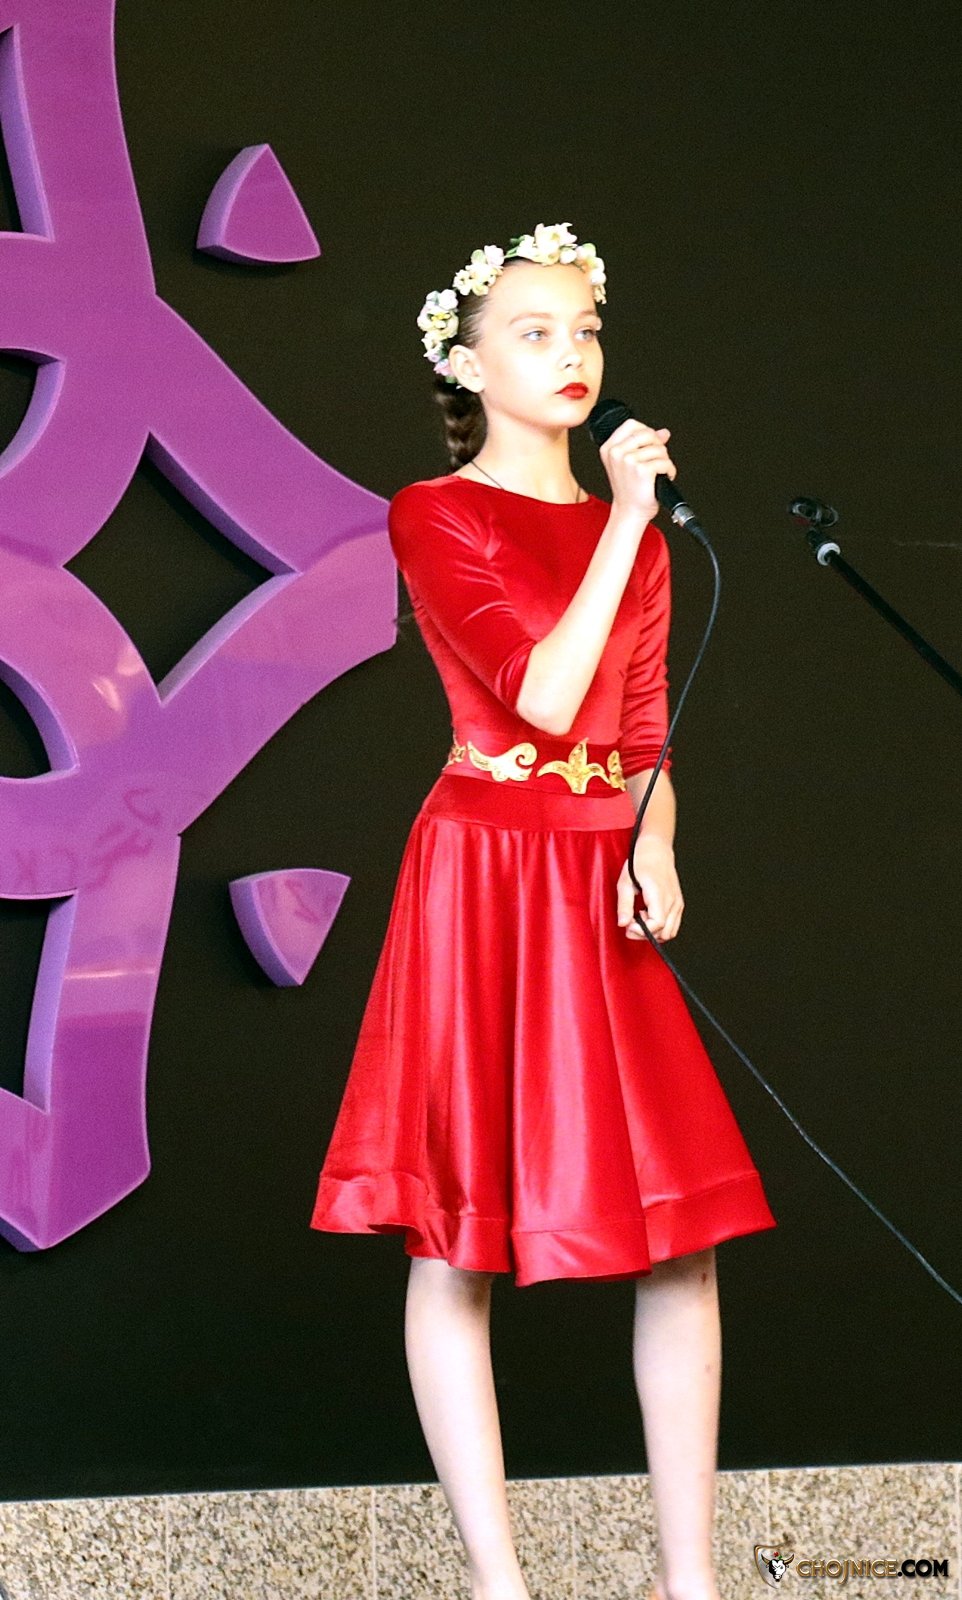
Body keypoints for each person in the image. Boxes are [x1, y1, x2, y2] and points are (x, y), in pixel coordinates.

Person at [310, 222, 777, 1600]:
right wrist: (625, 521)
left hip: (594, 870)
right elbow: (542, 697)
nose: (571, 354)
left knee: (680, 1237)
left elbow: (640, 735)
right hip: (485, 872)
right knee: (458, 1238)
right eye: (533, 331)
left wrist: (657, 844)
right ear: (465, 364)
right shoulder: (434, 511)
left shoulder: (638, 539)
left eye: (585, 330)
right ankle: (498, 1583)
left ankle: (690, 1582)